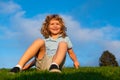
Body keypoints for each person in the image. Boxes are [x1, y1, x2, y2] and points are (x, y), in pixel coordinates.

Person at [10, 14, 79, 73]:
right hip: (43, 64)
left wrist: (75, 61)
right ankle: (18, 67)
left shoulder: (65, 38)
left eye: (57, 24)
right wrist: (28, 66)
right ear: (47, 27)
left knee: (63, 43)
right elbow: (38, 58)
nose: (55, 26)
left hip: (57, 63)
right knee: (39, 41)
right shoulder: (45, 40)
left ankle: (54, 66)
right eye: (52, 24)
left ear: (61, 27)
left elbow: (71, 53)